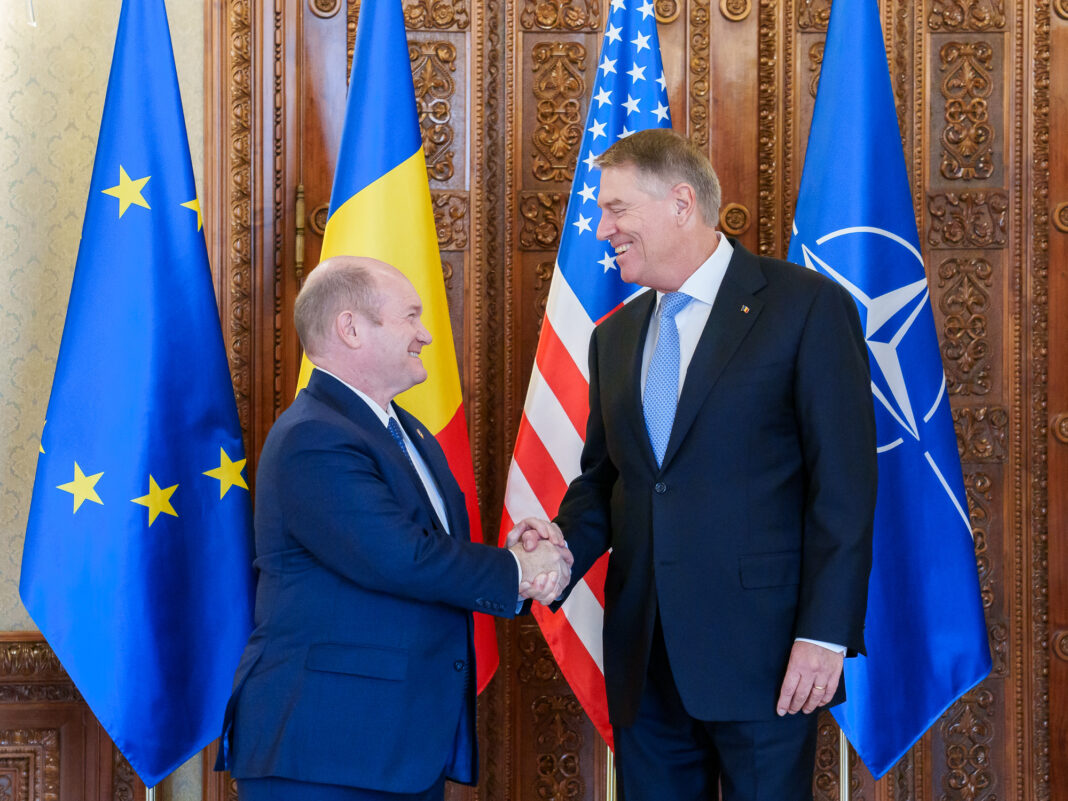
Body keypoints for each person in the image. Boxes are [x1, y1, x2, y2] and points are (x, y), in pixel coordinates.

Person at [512, 129, 877, 801]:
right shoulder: (613, 336)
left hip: (767, 659)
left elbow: (844, 488)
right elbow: (609, 481)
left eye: (616, 208)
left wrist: (825, 635)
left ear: (681, 203)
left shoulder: (804, 306)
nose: (602, 228)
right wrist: (560, 545)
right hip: (645, 662)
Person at [217, 256, 571, 801]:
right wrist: (517, 570)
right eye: (410, 316)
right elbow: (401, 557)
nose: (425, 334)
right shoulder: (313, 437)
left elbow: (427, 551)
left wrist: (513, 558)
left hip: (394, 746)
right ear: (351, 328)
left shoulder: (407, 432)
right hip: (325, 748)